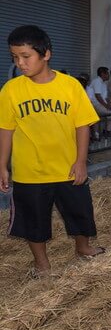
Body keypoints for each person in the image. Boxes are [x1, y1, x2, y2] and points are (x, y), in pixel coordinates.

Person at [0, 25, 104, 278]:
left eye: (26, 56)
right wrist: (2, 165)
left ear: (46, 54)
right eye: (15, 57)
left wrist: (80, 162)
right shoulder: (11, 90)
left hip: (67, 168)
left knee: (80, 213)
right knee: (33, 221)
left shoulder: (70, 86)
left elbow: (82, 126)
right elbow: (6, 129)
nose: (20, 63)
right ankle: (42, 264)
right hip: (29, 172)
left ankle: (83, 247)